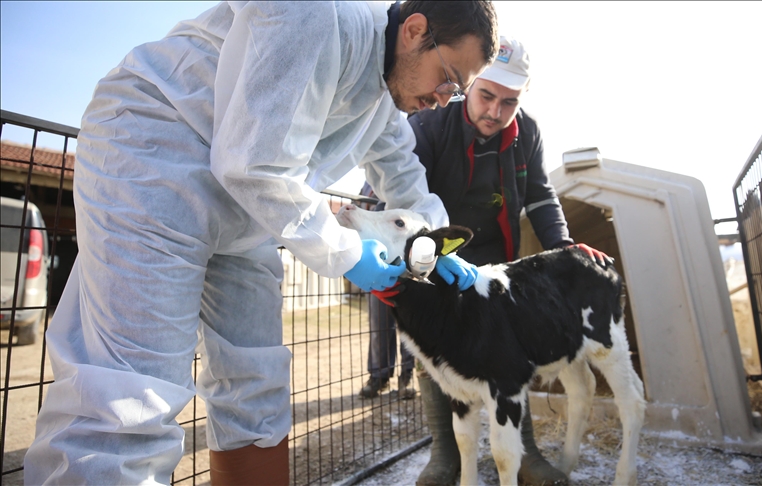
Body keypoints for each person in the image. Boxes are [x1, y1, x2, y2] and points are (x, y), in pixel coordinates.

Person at [23, 2, 497, 484]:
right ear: (415, 32)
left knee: (257, 383)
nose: (444, 98)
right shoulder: (318, 15)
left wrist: (440, 249)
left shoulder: (383, 98)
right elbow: (253, 164)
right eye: (448, 78)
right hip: (155, 158)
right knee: (132, 395)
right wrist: (349, 253)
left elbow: (406, 179)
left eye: (456, 92)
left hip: (248, 207)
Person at [407, 36, 612, 486]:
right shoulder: (430, 124)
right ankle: (444, 455)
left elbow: (540, 195)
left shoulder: (529, 133)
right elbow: (405, 192)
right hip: (437, 255)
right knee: (438, 351)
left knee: (507, 355)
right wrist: (427, 253)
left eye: (509, 102)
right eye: (486, 96)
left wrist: (565, 246)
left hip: (497, 261)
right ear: (470, 84)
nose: (495, 112)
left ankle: (527, 455)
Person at [356, 182, 416, 399]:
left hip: (402, 261)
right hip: (370, 262)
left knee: (407, 321)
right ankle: (379, 375)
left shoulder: (396, 176)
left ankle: (407, 375)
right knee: (379, 323)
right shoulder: (364, 190)